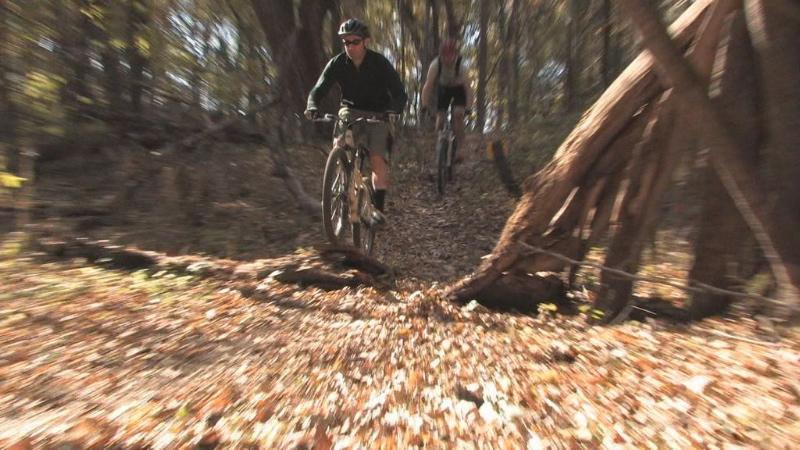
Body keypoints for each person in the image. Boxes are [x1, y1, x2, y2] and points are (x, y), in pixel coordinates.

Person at [305, 18, 407, 223]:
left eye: (354, 42)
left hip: (379, 113)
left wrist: (393, 110)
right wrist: (312, 105)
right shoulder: (337, 63)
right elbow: (319, 89)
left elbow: (399, 93)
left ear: (366, 42)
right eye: (345, 42)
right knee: (340, 144)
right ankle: (343, 179)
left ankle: (378, 208)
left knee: (377, 161)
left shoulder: (379, 63)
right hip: (349, 110)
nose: (349, 46)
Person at [420, 37, 474, 158]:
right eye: (445, 55)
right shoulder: (435, 65)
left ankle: (460, 148)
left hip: (459, 89)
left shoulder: (462, 67)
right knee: (440, 119)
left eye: (451, 55)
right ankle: (439, 146)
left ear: (455, 55)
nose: (448, 58)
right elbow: (428, 86)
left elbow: (468, 89)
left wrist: (469, 107)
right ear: (441, 55)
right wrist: (424, 105)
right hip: (443, 88)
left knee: (458, 115)